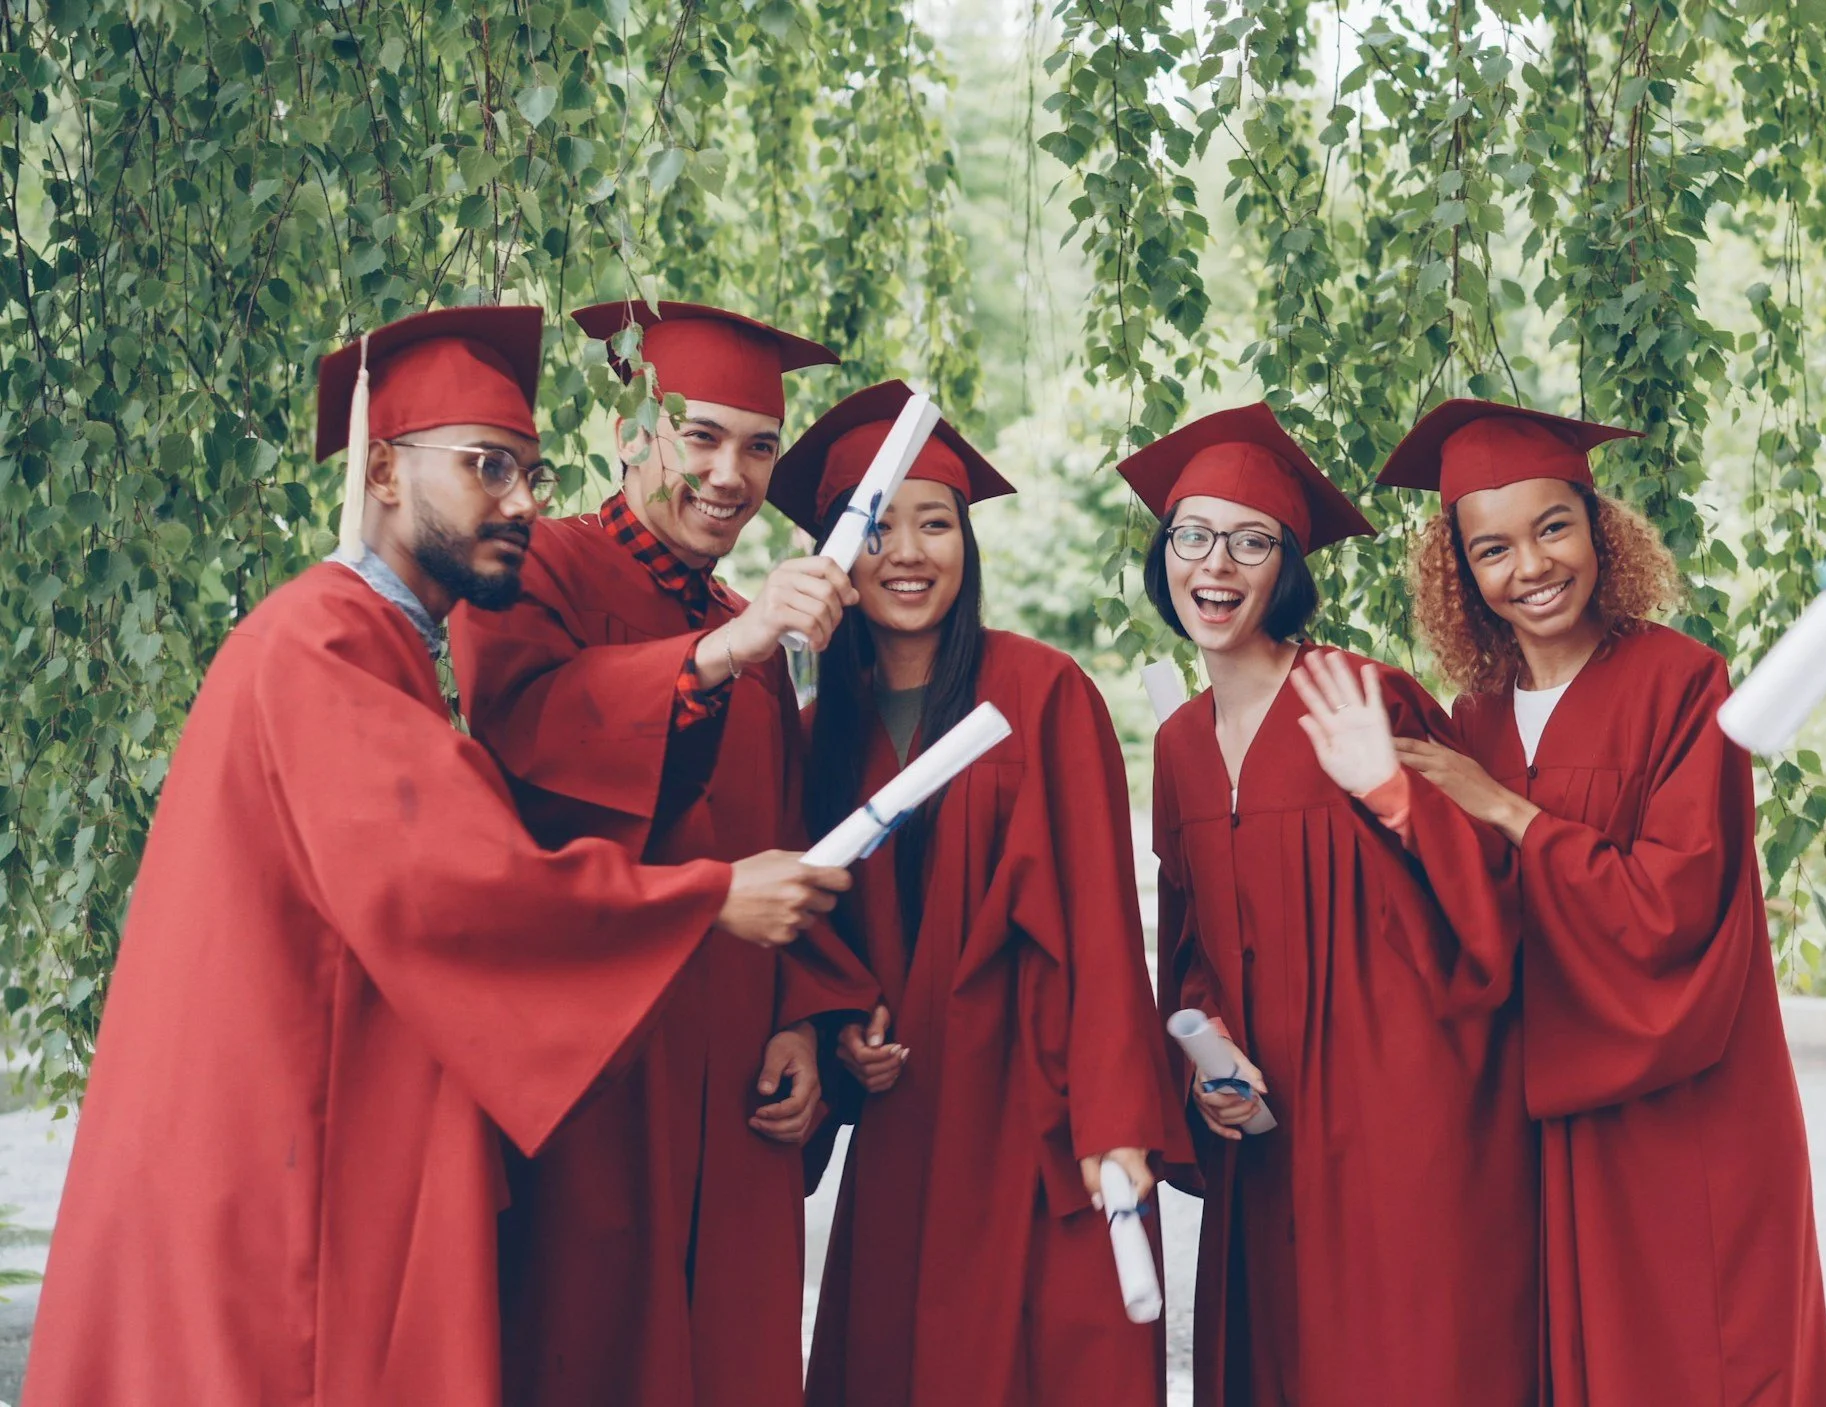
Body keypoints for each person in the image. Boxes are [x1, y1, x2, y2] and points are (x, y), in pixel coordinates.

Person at [21, 306, 850, 1407]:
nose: (519, 499)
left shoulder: (373, 645)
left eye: (526, 471)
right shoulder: (320, 644)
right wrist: (704, 900)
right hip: (283, 1152)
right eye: (483, 467)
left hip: (324, 1124)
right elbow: (465, 884)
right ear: (379, 471)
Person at [1295, 399, 1826, 1407]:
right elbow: (1465, 920)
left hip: (1679, 1102)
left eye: (1553, 527)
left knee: (1696, 1355)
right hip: (1537, 1109)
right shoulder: (1474, 718)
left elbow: (1671, 905)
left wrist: (1501, 809)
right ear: (1461, 571)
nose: (1530, 567)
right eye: (1491, 548)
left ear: (1599, 527)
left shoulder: (1684, 684)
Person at [450, 301, 879, 1407]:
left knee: (732, 1355)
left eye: (759, 445)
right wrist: (721, 650)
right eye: (700, 434)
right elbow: (524, 738)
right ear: (632, 429)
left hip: (737, 1070)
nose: (731, 473)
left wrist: (799, 1012)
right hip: (599, 1066)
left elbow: (784, 838)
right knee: (586, 1346)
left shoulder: (757, 624)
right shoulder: (536, 564)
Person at [774, 381, 1181, 1407]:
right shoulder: (818, 726)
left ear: (970, 540)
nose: (908, 553)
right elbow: (812, 924)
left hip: (1036, 1112)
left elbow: (1099, 921)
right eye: (878, 527)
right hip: (908, 1113)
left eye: (936, 523)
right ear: (835, 553)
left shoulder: (1044, 693)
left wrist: (1116, 1122)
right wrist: (839, 1027)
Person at [1125, 403, 1539, 1407]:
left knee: (1401, 1366)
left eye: (1251, 541)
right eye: (1193, 536)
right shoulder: (1178, 746)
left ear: (1287, 569)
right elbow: (1191, 941)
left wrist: (1392, 794)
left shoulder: (1358, 694)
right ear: (1163, 553)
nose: (1215, 566)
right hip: (1268, 1134)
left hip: (1403, 1120)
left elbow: (1493, 898)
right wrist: (1203, 1058)